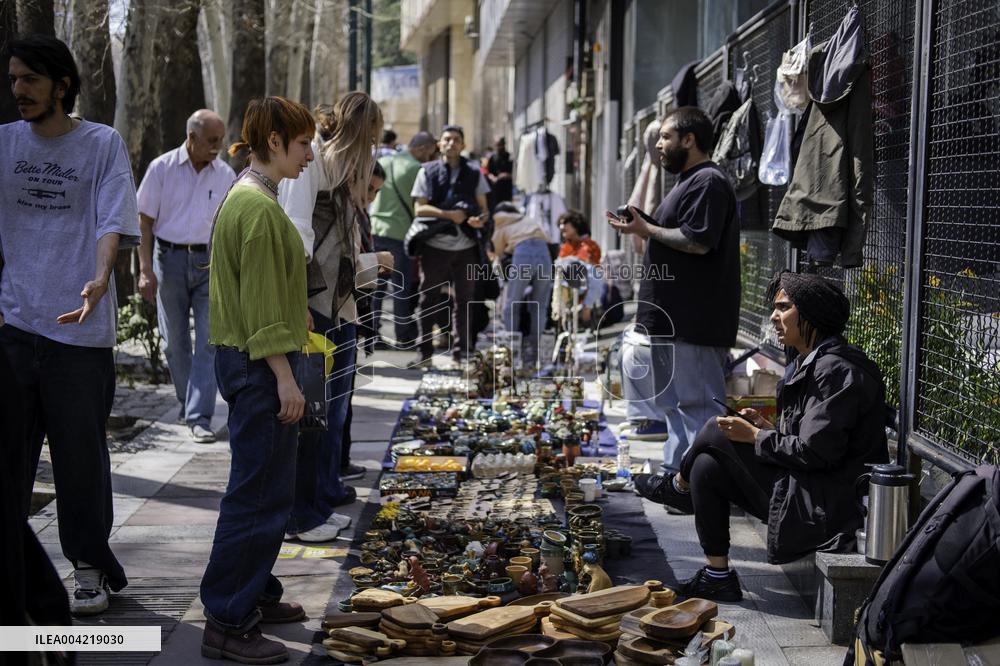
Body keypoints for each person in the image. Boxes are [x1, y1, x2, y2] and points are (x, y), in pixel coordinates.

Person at [634, 272, 889, 601]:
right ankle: (717, 576)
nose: (773, 316)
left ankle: (677, 488)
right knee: (707, 467)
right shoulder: (810, 362)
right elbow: (814, 443)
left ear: (811, 314)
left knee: (715, 429)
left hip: (830, 510)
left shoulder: (835, 370)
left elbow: (816, 453)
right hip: (811, 490)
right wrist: (767, 430)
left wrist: (755, 436)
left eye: (783, 308)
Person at [0, 34, 139, 616]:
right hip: (13, 324)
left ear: (61, 84)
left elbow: (112, 219)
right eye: (13, 80)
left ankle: (88, 569)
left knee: (80, 460)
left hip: (78, 333)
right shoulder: (4, 144)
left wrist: (101, 278)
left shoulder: (102, 144)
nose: (19, 91)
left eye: (30, 79)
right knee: (8, 458)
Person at [200, 96, 315, 663]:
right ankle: (227, 618)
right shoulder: (260, 209)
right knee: (258, 494)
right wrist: (285, 378)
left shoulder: (245, 198)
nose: (310, 156)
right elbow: (263, 307)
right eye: (301, 145)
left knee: (263, 487)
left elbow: (260, 292)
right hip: (259, 364)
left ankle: (254, 592)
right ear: (274, 143)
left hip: (244, 357)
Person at [278, 93, 390, 542]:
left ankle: (319, 501)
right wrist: (297, 301)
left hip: (338, 307)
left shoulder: (339, 171)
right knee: (313, 413)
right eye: (373, 139)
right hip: (314, 308)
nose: (375, 149)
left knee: (332, 412)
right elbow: (296, 234)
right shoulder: (315, 166)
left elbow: (339, 252)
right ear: (358, 132)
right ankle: (302, 513)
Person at [608, 106, 739, 468]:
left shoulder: (708, 181)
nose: (659, 146)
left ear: (689, 139)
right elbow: (676, 235)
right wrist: (644, 225)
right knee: (674, 408)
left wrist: (647, 229)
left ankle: (701, 489)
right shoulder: (687, 181)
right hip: (670, 322)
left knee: (697, 407)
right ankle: (678, 480)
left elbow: (698, 241)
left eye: (666, 137)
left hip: (693, 323)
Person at [136, 109, 235, 443]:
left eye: (220, 140)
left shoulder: (224, 175)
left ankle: (198, 416)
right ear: (191, 138)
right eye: (211, 140)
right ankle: (187, 402)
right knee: (174, 343)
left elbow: (230, 226)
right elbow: (144, 221)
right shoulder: (161, 168)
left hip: (210, 263)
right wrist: (145, 270)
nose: (218, 147)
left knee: (209, 341)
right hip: (169, 260)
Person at [407, 124, 491, 366]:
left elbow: (484, 210)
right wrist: (448, 215)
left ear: (463, 145)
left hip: (466, 247)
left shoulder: (475, 173)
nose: (451, 143)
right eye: (447, 139)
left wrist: (478, 220)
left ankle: (461, 354)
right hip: (434, 245)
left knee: (465, 301)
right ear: (439, 144)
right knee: (428, 298)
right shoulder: (427, 171)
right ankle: (424, 354)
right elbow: (419, 209)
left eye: (456, 139)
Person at [369, 131, 438, 348]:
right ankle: (403, 336)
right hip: (399, 234)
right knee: (400, 287)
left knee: (376, 289)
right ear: (421, 148)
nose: (429, 157)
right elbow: (420, 205)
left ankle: (372, 334)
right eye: (429, 152)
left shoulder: (384, 160)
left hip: (375, 230)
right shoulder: (417, 169)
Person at [491, 202, 553, 365]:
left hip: (523, 253)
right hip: (544, 252)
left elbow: (497, 252)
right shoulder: (529, 220)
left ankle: (512, 351)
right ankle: (536, 352)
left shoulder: (498, 222)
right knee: (539, 306)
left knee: (512, 304)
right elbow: (549, 239)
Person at [486, 136, 514, 213]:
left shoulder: (509, 157)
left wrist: (505, 175)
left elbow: (514, 173)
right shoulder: (493, 157)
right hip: (496, 189)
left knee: (507, 210)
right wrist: (493, 178)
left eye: (500, 145)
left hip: (507, 188)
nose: (499, 147)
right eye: (497, 145)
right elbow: (489, 172)